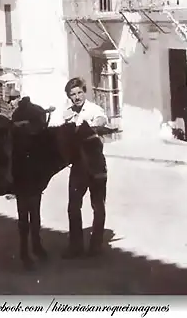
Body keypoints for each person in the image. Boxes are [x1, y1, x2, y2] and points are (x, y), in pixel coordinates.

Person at [62, 77, 109, 258]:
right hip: (78, 165)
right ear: (69, 97)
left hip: (96, 163)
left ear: (84, 92)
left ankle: (96, 245)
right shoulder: (67, 113)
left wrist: (92, 124)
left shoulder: (93, 109)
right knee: (73, 206)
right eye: (72, 94)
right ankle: (76, 246)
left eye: (79, 92)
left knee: (98, 205)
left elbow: (101, 119)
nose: (77, 97)